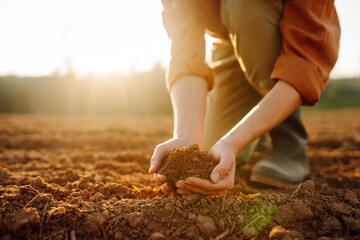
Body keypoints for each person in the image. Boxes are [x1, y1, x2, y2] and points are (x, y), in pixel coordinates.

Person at [149, 0, 340, 195]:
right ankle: (257, 132)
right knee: (210, 152)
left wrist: (234, 141)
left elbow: (305, 62)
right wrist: (185, 136)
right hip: (229, 45)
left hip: (283, 41)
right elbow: (185, 54)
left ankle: (288, 142)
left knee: (244, 5)